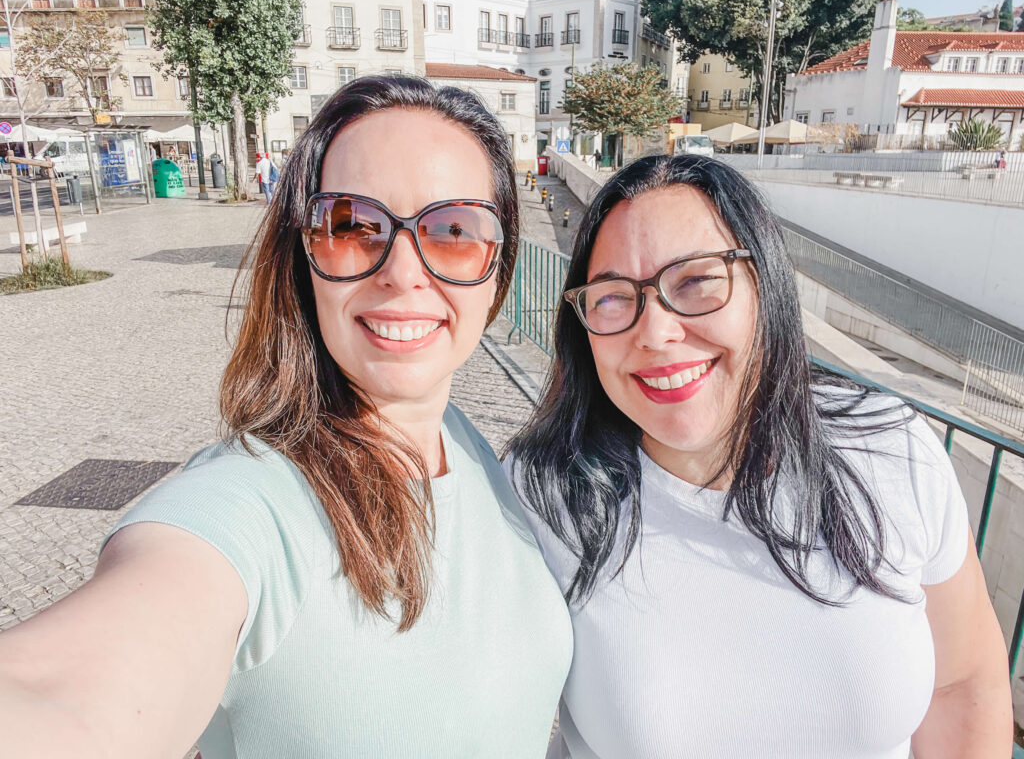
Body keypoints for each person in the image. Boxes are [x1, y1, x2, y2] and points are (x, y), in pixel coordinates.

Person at [0, 75, 571, 758]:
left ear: (497, 269)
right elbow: (74, 691)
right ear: (305, 252)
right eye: (354, 225)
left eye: (453, 232)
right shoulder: (249, 503)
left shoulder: (467, 447)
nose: (403, 271)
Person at [506, 154, 1012, 758]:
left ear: (764, 285)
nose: (656, 331)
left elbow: (961, 684)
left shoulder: (890, 450)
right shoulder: (542, 496)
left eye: (694, 282)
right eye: (614, 298)